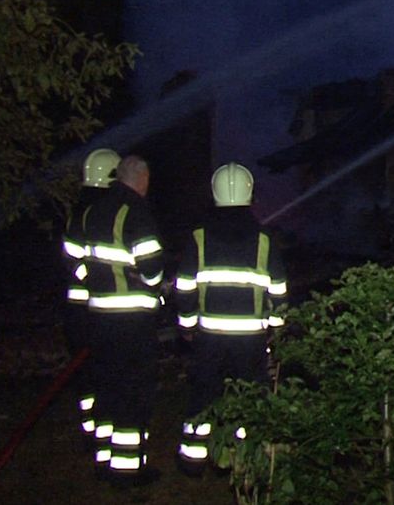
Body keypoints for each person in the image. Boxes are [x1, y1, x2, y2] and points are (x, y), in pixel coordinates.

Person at [174, 162, 288, 476]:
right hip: (251, 340)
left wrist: (187, 326)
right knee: (250, 397)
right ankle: (247, 460)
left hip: (208, 337)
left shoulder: (199, 237)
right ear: (250, 193)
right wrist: (276, 333)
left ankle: (193, 460)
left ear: (214, 193)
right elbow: (279, 292)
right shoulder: (264, 239)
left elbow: (184, 286)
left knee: (203, 394)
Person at [78, 154, 165, 486]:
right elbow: (152, 269)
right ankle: (128, 470)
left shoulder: (93, 211)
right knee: (133, 390)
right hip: (132, 320)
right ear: (141, 179)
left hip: (98, 316)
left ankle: (104, 459)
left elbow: (79, 264)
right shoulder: (136, 211)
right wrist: (152, 283)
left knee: (108, 386)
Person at [60, 148, 120, 446]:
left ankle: (93, 429)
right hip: (91, 310)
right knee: (101, 370)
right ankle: (99, 430)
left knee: (89, 374)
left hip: (79, 310)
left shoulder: (79, 213)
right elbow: (76, 261)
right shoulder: (97, 214)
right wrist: (100, 279)